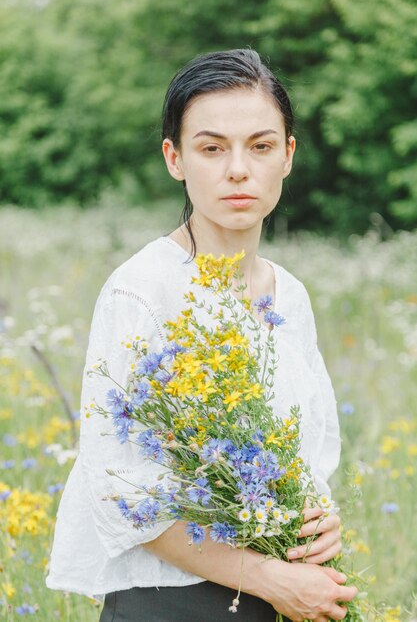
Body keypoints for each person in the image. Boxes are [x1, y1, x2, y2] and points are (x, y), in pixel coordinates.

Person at [46, 48, 358, 621]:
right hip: (174, 603)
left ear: (288, 156)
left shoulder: (289, 294)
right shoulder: (144, 289)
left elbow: (306, 454)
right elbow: (123, 494)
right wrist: (268, 577)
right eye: (212, 148)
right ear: (175, 158)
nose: (238, 169)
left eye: (261, 146)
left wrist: (317, 518)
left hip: (285, 595)